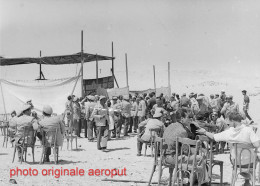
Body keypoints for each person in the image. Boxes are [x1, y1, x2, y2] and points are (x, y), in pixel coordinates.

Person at [197, 112, 260, 186]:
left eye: (229, 123)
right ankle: (248, 181)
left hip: (236, 161)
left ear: (233, 121)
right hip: (250, 162)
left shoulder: (229, 132)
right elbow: (257, 144)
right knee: (255, 156)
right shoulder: (248, 130)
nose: (228, 124)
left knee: (237, 155)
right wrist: (246, 145)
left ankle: (244, 181)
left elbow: (214, 137)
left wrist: (205, 132)